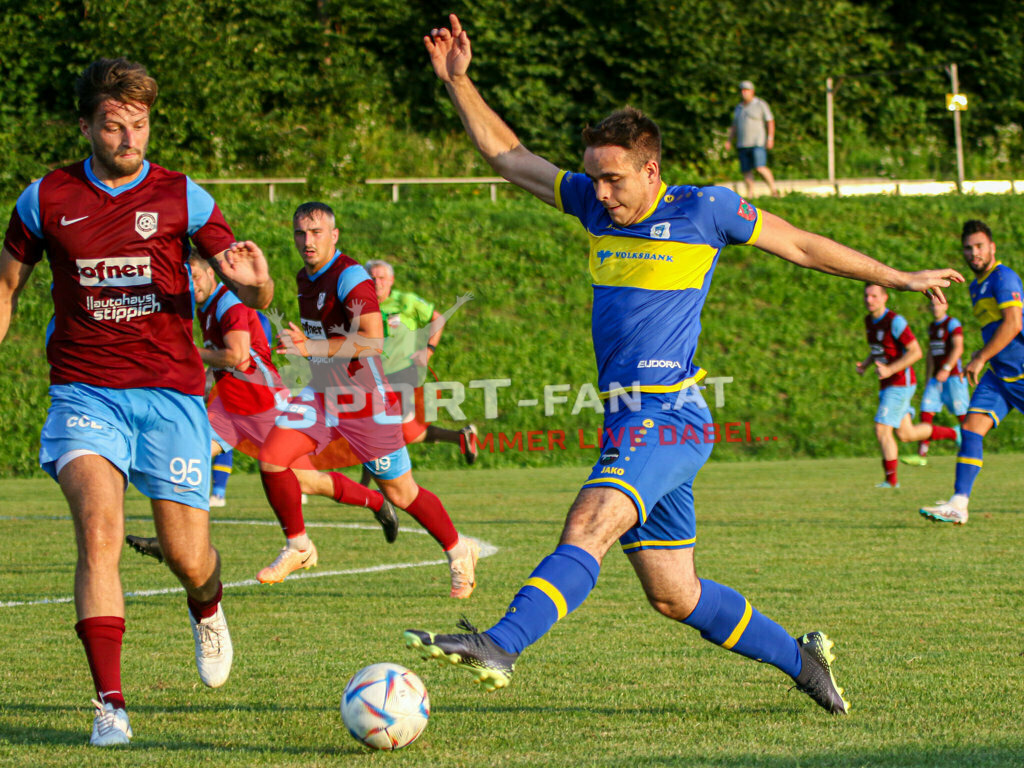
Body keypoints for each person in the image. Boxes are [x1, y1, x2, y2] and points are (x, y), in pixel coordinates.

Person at [403, 14, 962, 716]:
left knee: (590, 521)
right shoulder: (594, 207)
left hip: (668, 413)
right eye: (593, 179)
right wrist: (459, 83)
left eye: (613, 180)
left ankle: (502, 643)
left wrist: (898, 276)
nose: (599, 193)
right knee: (675, 593)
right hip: (624, 417)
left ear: (651, 170)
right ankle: (804, 659)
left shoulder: (706, 211)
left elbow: (802, 246)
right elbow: (509, 157)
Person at [0, 58, 272, 746]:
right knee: (99, 534)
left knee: (188, 556)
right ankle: (110, 706)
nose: (129, 139)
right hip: (85, 390)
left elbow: (251, 288)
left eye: (141, 125)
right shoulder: (44, 199)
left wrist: (258, 285)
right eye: (114, 126)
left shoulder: (184, 196)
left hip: (170, 394)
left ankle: (206, 605)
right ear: (85, 126)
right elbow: (7, 288)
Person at [253, 202, 480, 596]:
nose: (307, 241)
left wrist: (311, 347)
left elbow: (373, 341)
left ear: (334, 235)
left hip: (363, 402)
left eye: (316, 232)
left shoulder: (351, 277)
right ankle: (299, 546)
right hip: (322, 394)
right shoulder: (305, 277)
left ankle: (459, 550)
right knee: (272, 458)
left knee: (402, 493)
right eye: (300, 233)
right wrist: (302, 347)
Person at [126, 254, 400, 574]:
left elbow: (238, 358)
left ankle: (376, 503)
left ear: (212, 274)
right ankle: (174, 540)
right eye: (186, 278)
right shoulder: (205, 306)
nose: (191, 284)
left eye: (196, 276)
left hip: (264, 405)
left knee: (309, 481)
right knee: (187, 460)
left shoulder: (229, 304)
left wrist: (187, 353)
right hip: (229, 407)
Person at [920, 220, 1024, 525]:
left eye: (979, 246)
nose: (974, 252)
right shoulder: (977, 286)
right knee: (971, 428)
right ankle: (958, 504)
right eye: (968, 248)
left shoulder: (1003, 278)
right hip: (1000, 376)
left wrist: (979, 357)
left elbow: (1013, 324)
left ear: (992, 247)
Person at [362, 258, 479, 481]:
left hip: (402, 373)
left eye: (381, 278)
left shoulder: (405, 301)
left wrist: (428, 350)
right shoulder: (360, 305)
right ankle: (460, 437)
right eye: (372, 278)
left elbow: (438, 319)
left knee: (380, 429)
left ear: (391, 280)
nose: (377, 282)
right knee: (400, 431)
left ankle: (367, 486)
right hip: (372, 377)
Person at [854, 285, 959, 486]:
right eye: (866, 296)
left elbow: (916, 352)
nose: (869, 300)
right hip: (888, 383)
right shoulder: (869, 321)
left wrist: (890, 370)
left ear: (885, 297)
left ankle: (891, 481)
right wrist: (865, 364)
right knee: (906, 434)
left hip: (900, 383)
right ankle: (955, 433)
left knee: (882, 429)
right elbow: (879, 349)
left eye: (874, 296)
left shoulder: (895, 321)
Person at [903, 294, 969, 466]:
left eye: (938, 304)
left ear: (945, 306)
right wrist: (928, 378)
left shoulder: (952, 324)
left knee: (962, 415)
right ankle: (921, 454)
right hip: (936, 379)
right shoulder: (932, 327)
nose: (935, 308)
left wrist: (947, 368)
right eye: (932, 305)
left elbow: (958, 348)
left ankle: (971, 448)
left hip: (953, 377)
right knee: (926, 412)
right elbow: (931, 354)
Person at [725, 80, 778, 199]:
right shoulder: (738, 108)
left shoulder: (760, 104)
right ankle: (750, 195)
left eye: (746, 90)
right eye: (742, 90)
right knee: (746, 170)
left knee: (760, 167)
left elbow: (770, 121)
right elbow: (734, 126)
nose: (744, 92)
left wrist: (770, 138)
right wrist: (729, 140)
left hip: (757, 142)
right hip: (742, 143)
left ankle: (774, 190)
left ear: (752, 91)